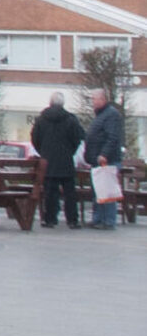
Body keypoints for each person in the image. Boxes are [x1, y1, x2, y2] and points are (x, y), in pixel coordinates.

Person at [31, 91, 86, 228]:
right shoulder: (71, 119)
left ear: (50, 103)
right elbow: (77, 138)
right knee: (70, 192)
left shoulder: (41, 119)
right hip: (66, 160)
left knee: (50, 191)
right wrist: (70, 152)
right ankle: (72, 220)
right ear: (63, 104)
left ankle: (50, 219)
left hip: (48, 160)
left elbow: (35, 139)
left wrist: (43, 152)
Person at [83, 87, 126, 229]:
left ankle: (108, 220)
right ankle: (98, 218)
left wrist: (104, 154)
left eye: (94, 99)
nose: (92, 102)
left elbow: (113, 137)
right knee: (99, 190)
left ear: (102, 99)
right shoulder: (101, 115)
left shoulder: (111, 115)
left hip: (107, 160)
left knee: (106, 190)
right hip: (98, 159)